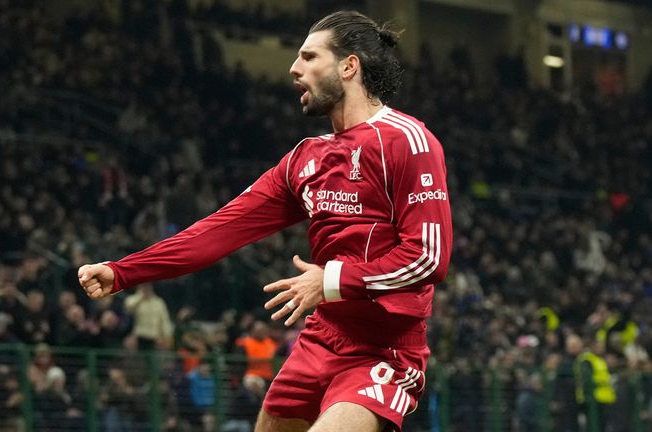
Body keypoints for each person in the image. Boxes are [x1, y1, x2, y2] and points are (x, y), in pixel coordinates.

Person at [78, 10, 452, 431]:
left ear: (349, 66)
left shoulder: (407, 141)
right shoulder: (305, 158)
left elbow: (429, 258)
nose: (294, 68)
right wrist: (123, 271)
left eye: (310, 57)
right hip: (319, 340)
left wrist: (330, 281)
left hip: (383, 350)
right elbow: (219, 230)